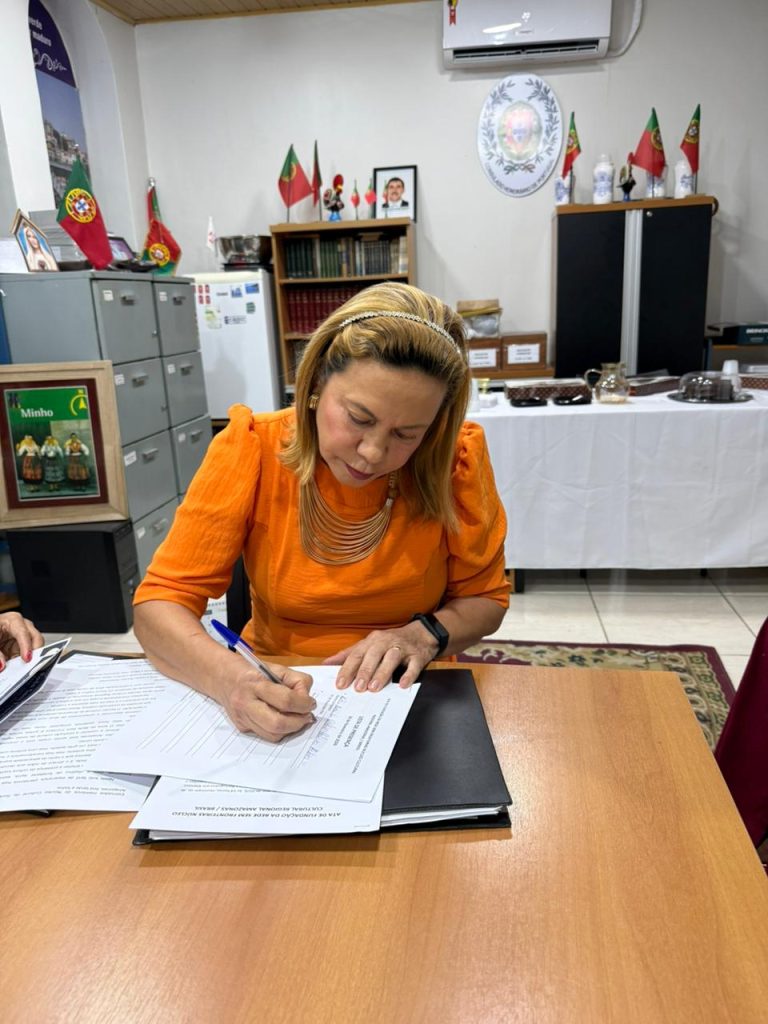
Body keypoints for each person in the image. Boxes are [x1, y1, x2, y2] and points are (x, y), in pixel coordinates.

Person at [133, 282, 509, 742]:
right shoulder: (253, 448)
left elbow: (486, 600)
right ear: (314, 385)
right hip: (275, 684)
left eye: (407, 434)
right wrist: (228, 678)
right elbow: (159, 604)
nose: (372, 453)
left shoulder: (453, 461)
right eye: (359, 418)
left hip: (410, 690)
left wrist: (421, 635)